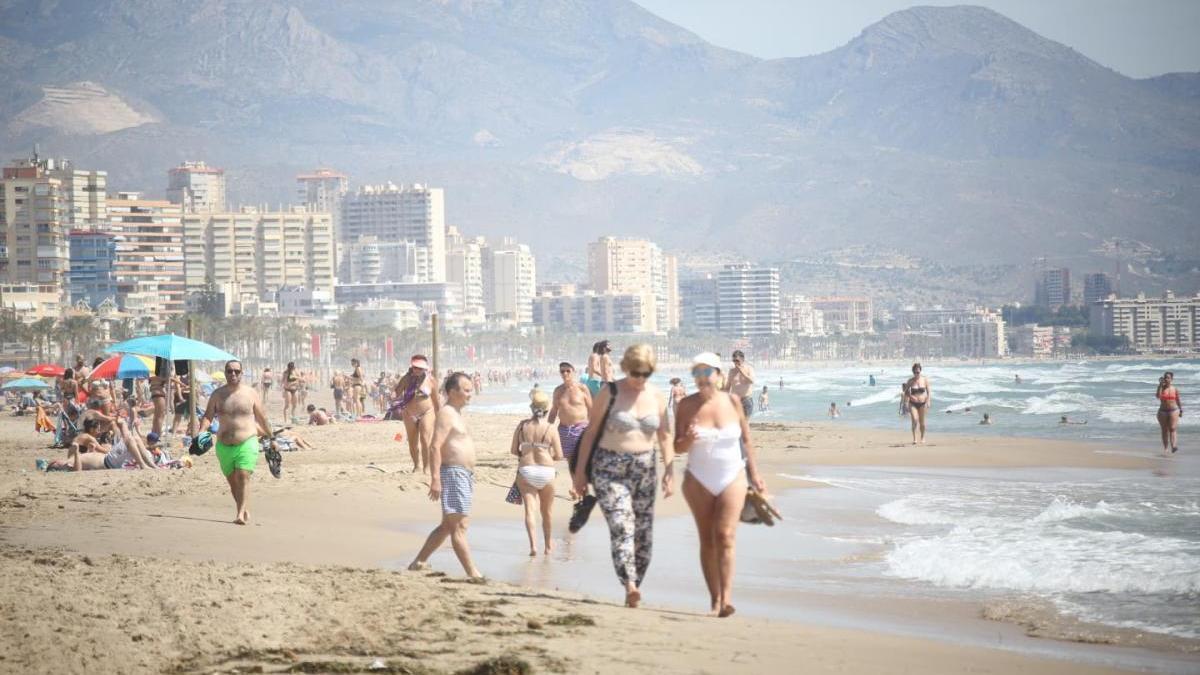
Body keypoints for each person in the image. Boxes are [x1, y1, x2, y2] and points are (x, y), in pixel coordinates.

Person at [573, 344, 674, 609]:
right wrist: (580, 473)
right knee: (621, 525)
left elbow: (664, 435)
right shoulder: (610, 392)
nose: (640, 379)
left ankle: (635, 582)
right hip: (609, 468)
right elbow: (591, 433)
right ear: (626, 368)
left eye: (646, 374)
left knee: (643, 536)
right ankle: (629, 585)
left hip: (645, 469)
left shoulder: (657, 396)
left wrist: (670, 470)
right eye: (636, 373)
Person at [675, 352, 767, 618]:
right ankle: (714, 599)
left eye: (707, 373)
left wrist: (756, 475)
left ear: (719, 375)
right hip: (698, 480)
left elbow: (746, 441)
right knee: (708, 539)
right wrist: (688, 440)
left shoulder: (733, 402)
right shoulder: (686, 406)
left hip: (733, 477)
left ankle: (727, 598)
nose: (701, 379)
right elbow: (676, 447)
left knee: (725, 536)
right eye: (697, 374)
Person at [408, 372, 482, 579]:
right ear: (452, 392)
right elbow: (434, 446)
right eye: (466, 390)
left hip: (463, 475)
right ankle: (473, 573)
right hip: (453, 474)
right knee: (458, 526)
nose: (470, 394)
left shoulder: (456, 413)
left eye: (470, 390)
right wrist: (435, 479)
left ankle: (419, 561)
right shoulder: (447, 413)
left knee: (448, 526)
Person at [198, 360, 272, 525]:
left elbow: (262, 418)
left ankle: (239, 514)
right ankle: (243, 507)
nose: (233, 374)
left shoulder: (251, 393)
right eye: (230, 371)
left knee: (243, 476)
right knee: (232, 482)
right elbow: (208, 416)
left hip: (247, 441)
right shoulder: (217, 394)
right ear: (225, 373)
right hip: (223, 445)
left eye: (236, 371)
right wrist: (202, 431)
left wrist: (271, 438)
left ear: (241, 373)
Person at [511, 389, 564, 557]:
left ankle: (533, 546)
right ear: (547, 408)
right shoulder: (550, 428)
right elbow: (559, 455)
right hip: (547, 471)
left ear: (531, 407)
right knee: (546, 512)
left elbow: (513, 450)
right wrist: (548, 456)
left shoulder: (522, 426)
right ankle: (548, 546)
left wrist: (527, 453)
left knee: (530, 511)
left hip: (526, 471)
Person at [394, 355, 440, 473]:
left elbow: (436, 399)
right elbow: (397, 393)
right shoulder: (406, 379)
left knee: (425, 439)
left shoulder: (431, 380)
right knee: (413, 441)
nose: (417, 370)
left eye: (420, 368)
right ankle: (417, 466)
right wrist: (394, 394)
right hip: (409, 413)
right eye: (415, 368)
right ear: (412, 367)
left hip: (427, 412)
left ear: (425, 368)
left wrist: (440, 415)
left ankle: (427, 467)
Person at [548, 362, 592, 475]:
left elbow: (591, 409)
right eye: (562, 371)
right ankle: (576, 488)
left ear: (574, 372)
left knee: (582, 460)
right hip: (564, 430)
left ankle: (581, 486)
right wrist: (547, 428)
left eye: (568, 370)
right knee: (570, 462)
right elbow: (554, 411)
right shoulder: (558, 391)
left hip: (581, 428)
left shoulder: (582, 388)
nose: (565, 373)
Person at [722, 350, 756, 419]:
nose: (735, 363)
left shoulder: (749, 369)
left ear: (742, 359)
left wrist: (742, 372)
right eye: (734, 361)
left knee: (744, 423)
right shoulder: (732, 371)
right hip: (735, 400)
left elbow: (751, 381)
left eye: (737, 360)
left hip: (746, 400)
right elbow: (728, 386)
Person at [1156, 371, 1182, 454]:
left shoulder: (1175, 389)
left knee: (1173, 428)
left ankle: (1173, 446)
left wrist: (1181, 409)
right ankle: (1166, 448)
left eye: (1169, 378)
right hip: (1163, 411)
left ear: (1172, 379)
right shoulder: (1161, 388)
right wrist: (1160, 385)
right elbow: (1158, 396)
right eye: (1166, 377)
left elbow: (1178, 400)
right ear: (1164, 379)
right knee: (1164, 430)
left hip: (1173, 410)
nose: (1167, 379)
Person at [905, 363, 931, 445]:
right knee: (915, 420)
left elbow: (929, 391)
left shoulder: (925, 380)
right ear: (913, 372)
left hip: (923, 403)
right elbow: (905, 391)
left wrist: (928, 401)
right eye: (915, 372)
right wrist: (910, 396)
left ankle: (922, 437)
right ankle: (915, 438)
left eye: (918, 372)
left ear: (920, 371)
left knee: (922, 423)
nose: (917, 374)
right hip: (913, 403)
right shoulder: (910, 381)